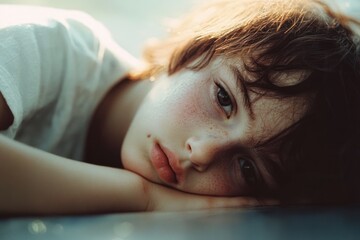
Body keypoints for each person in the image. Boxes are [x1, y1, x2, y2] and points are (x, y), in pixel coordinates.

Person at [0, 0, 359, 215]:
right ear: (195, 45)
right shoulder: (51, 47)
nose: (202, 152)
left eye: (247, 168)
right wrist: (142, 199)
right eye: (223, 98)